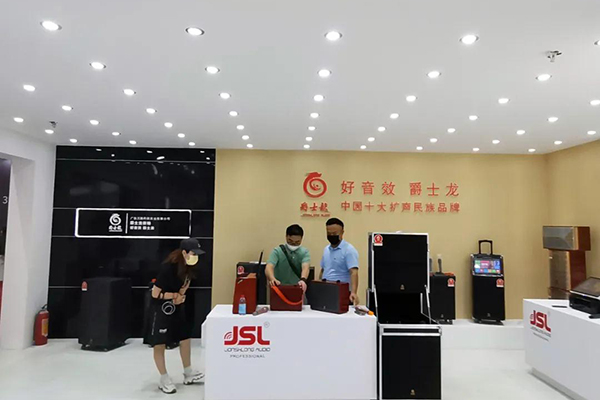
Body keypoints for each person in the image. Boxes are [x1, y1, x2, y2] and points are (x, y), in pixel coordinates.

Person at [145, 238, 206, 394]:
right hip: (161, 308)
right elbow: (155, 294)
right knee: (160, 343)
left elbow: (185, 285)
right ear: (184, 253)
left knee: (184, 337)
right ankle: (164, 378)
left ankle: (188, 372)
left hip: (177, 307)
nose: (196, 257)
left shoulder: (189, 268)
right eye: (193, 254)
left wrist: (181, 296)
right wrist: (173, 296)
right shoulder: (168, 268)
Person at [320, 218, 360, 305]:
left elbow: (354, 272)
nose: (331, 236)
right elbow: (323, 270)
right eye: (329, 233)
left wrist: (353, 292)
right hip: (326, 291)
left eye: (334, 234)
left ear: (342, 232)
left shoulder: (349, 250)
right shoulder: (326, 249)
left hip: (342, 293)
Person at [265, 224, 310, 292]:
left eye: (297, 242)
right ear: (286, 237)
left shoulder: (304, 252)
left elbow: (305, 267)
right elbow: (269, 267)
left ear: (301, 239)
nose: (293, 244)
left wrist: (303, 280)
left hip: (297, 288)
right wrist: (272, 279)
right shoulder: (277, 251)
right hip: (279, 288)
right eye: (290, 241)